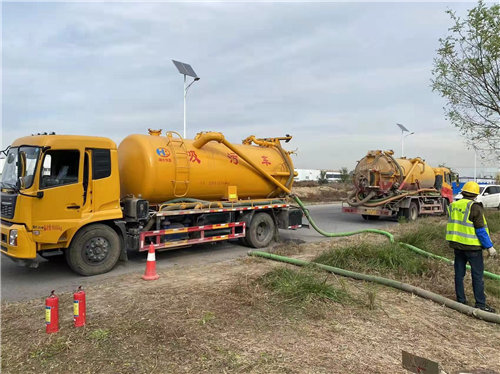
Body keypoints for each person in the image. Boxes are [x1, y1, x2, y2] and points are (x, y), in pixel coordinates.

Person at [446, 181, 497, 313]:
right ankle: (480, 304)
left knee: (459, 274)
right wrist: (489, 247)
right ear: (475, 194)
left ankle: (461, 300)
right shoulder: (474, 207)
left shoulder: (453, 205)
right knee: (477, 276)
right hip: (472, 248)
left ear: (462, 192)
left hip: (457, 246)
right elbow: (480, 230)